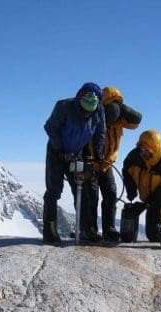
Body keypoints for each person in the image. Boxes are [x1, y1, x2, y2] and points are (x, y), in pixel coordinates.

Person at [42, 82, 106, 244]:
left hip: (76, 153)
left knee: (81, 188)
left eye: (89, 112)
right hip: (57, 152)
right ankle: (49, 231)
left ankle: (86, 229)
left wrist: (98, 153)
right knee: (54, 190)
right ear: (79, 99)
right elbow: (50, 127)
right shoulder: (64, 106)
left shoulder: (99, 111)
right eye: (84, 110)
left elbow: (100, 132)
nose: (86, 114)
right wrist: (60, 149)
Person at [86, 86, 142, 241]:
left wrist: (120, 107)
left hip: (106, 164)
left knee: (110, 194)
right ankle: (90, 230)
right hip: (91, 162)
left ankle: (108, 229)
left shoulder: (120, 120)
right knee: (91, 197)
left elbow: (137, 120)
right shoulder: (93, 115)